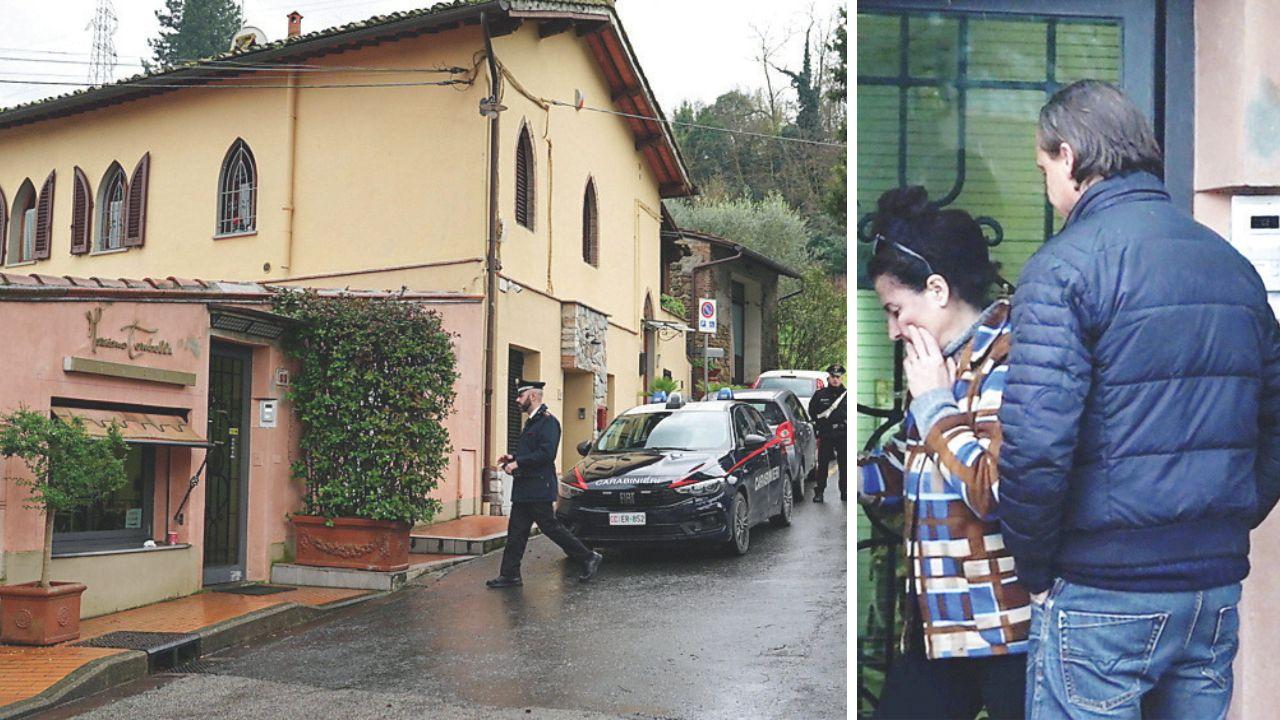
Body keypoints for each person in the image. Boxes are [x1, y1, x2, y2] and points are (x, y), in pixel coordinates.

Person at [997, 79, 1280, 719]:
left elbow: (1037, 445)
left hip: (1103, 591)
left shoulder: (1063, 267)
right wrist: (1225, 523)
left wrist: (1037, 571)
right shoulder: (1232, 268)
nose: (1047, 185)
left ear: (1069, 158)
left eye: (1044, 167)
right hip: (1210, 591)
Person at [858, 186, 1028, 720]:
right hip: (939, 628)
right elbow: (904, 468)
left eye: (895, 310)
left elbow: (993, 490)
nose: (891, 329)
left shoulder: (1013, 356)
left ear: (937, 289)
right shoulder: (937, 362)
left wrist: (934, 403)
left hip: (1007, 631)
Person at [487, 379, 603, 588]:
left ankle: (587, 557)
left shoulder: (548, 422)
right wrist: (513, 457)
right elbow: (533, 450)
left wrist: (518, 463)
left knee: (551, 528)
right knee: (517, 531)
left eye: (520, 396)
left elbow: (546, 454)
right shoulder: (532, 422)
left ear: (532, 396)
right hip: (525, 487)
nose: (517, 400)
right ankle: (510, 574)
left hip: (539, 487)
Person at [809, 363, 849, 502]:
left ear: (841, 378)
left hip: (843, 434)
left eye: (838, 377)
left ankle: (845, 492)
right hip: (826, 433)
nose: (835, 379)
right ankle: (819, 492)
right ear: (829, 377)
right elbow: (812, 412)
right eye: (833, 376)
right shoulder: (820, 395)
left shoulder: (847, 396)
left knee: (844, 465)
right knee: (823, 463)